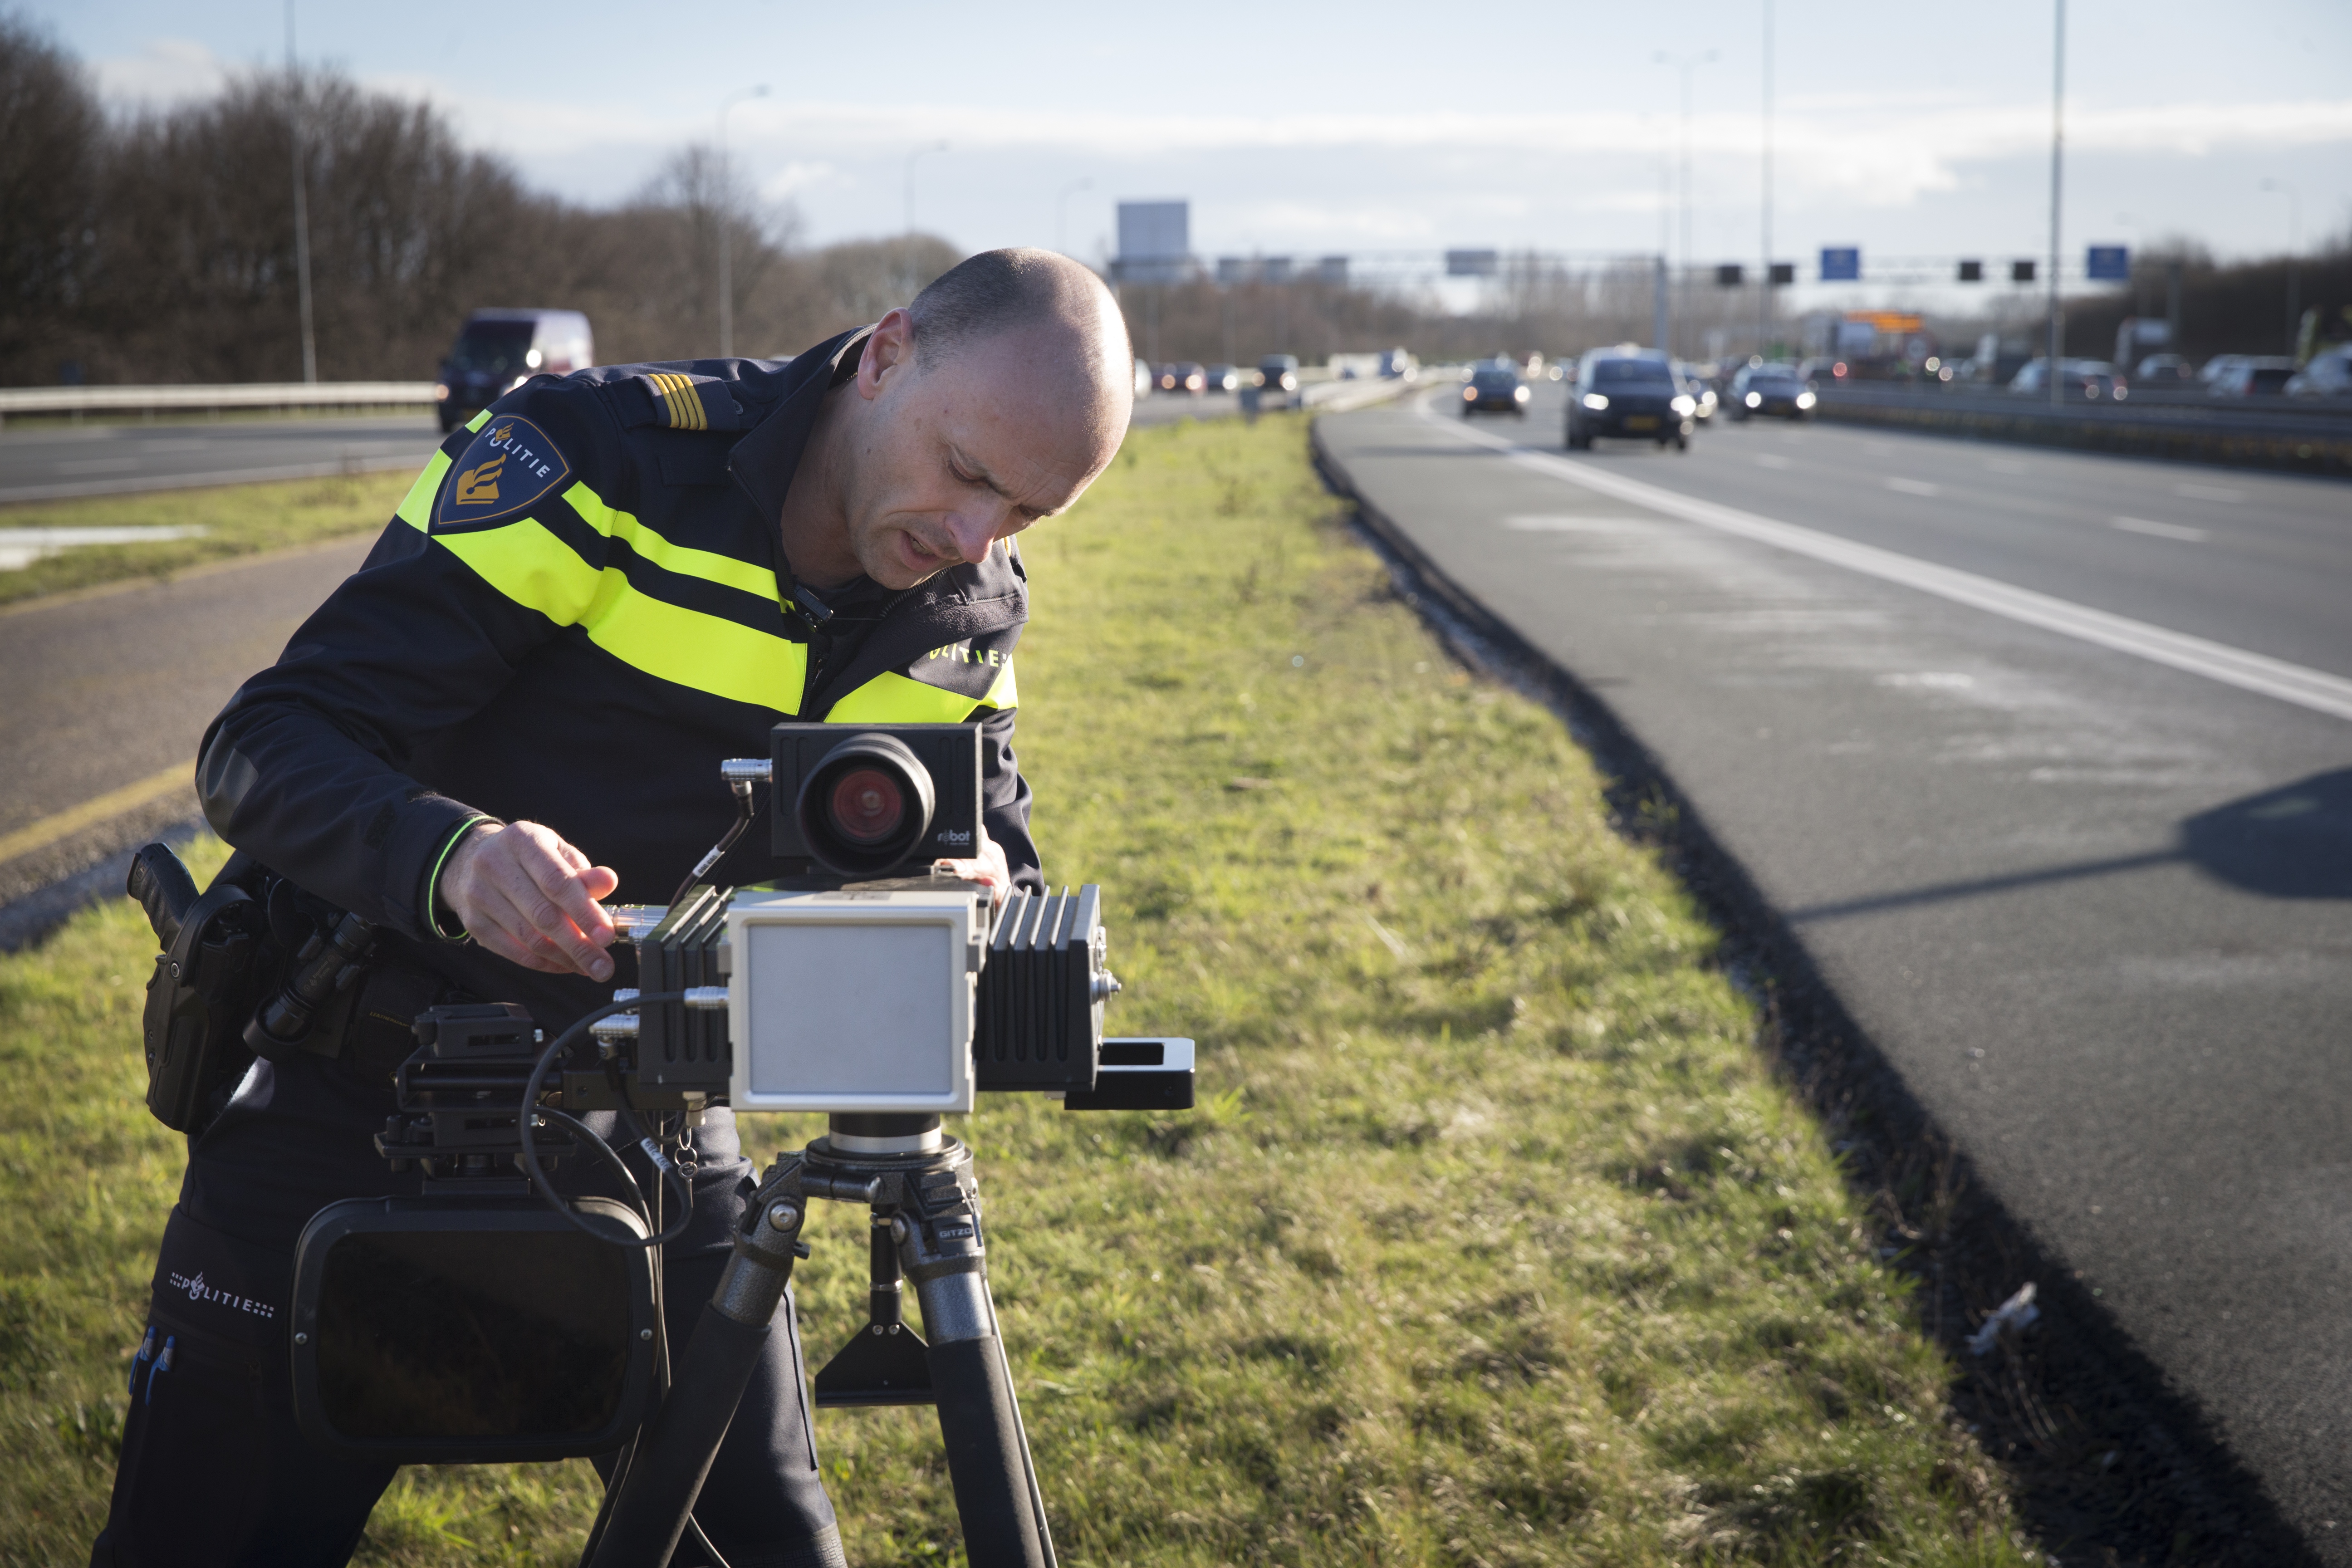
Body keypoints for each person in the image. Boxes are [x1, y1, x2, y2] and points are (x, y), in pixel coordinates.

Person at [93, 248, 1135, 1568]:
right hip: (350, 1090)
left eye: (1028, 516)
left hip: (651, 1116)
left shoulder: (964, 610)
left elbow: (997, 855)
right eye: (970, 472)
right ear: (885, 356)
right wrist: (455, 856)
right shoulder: (596, 457)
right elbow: (265, 744)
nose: (975, 537)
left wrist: (980, 898)